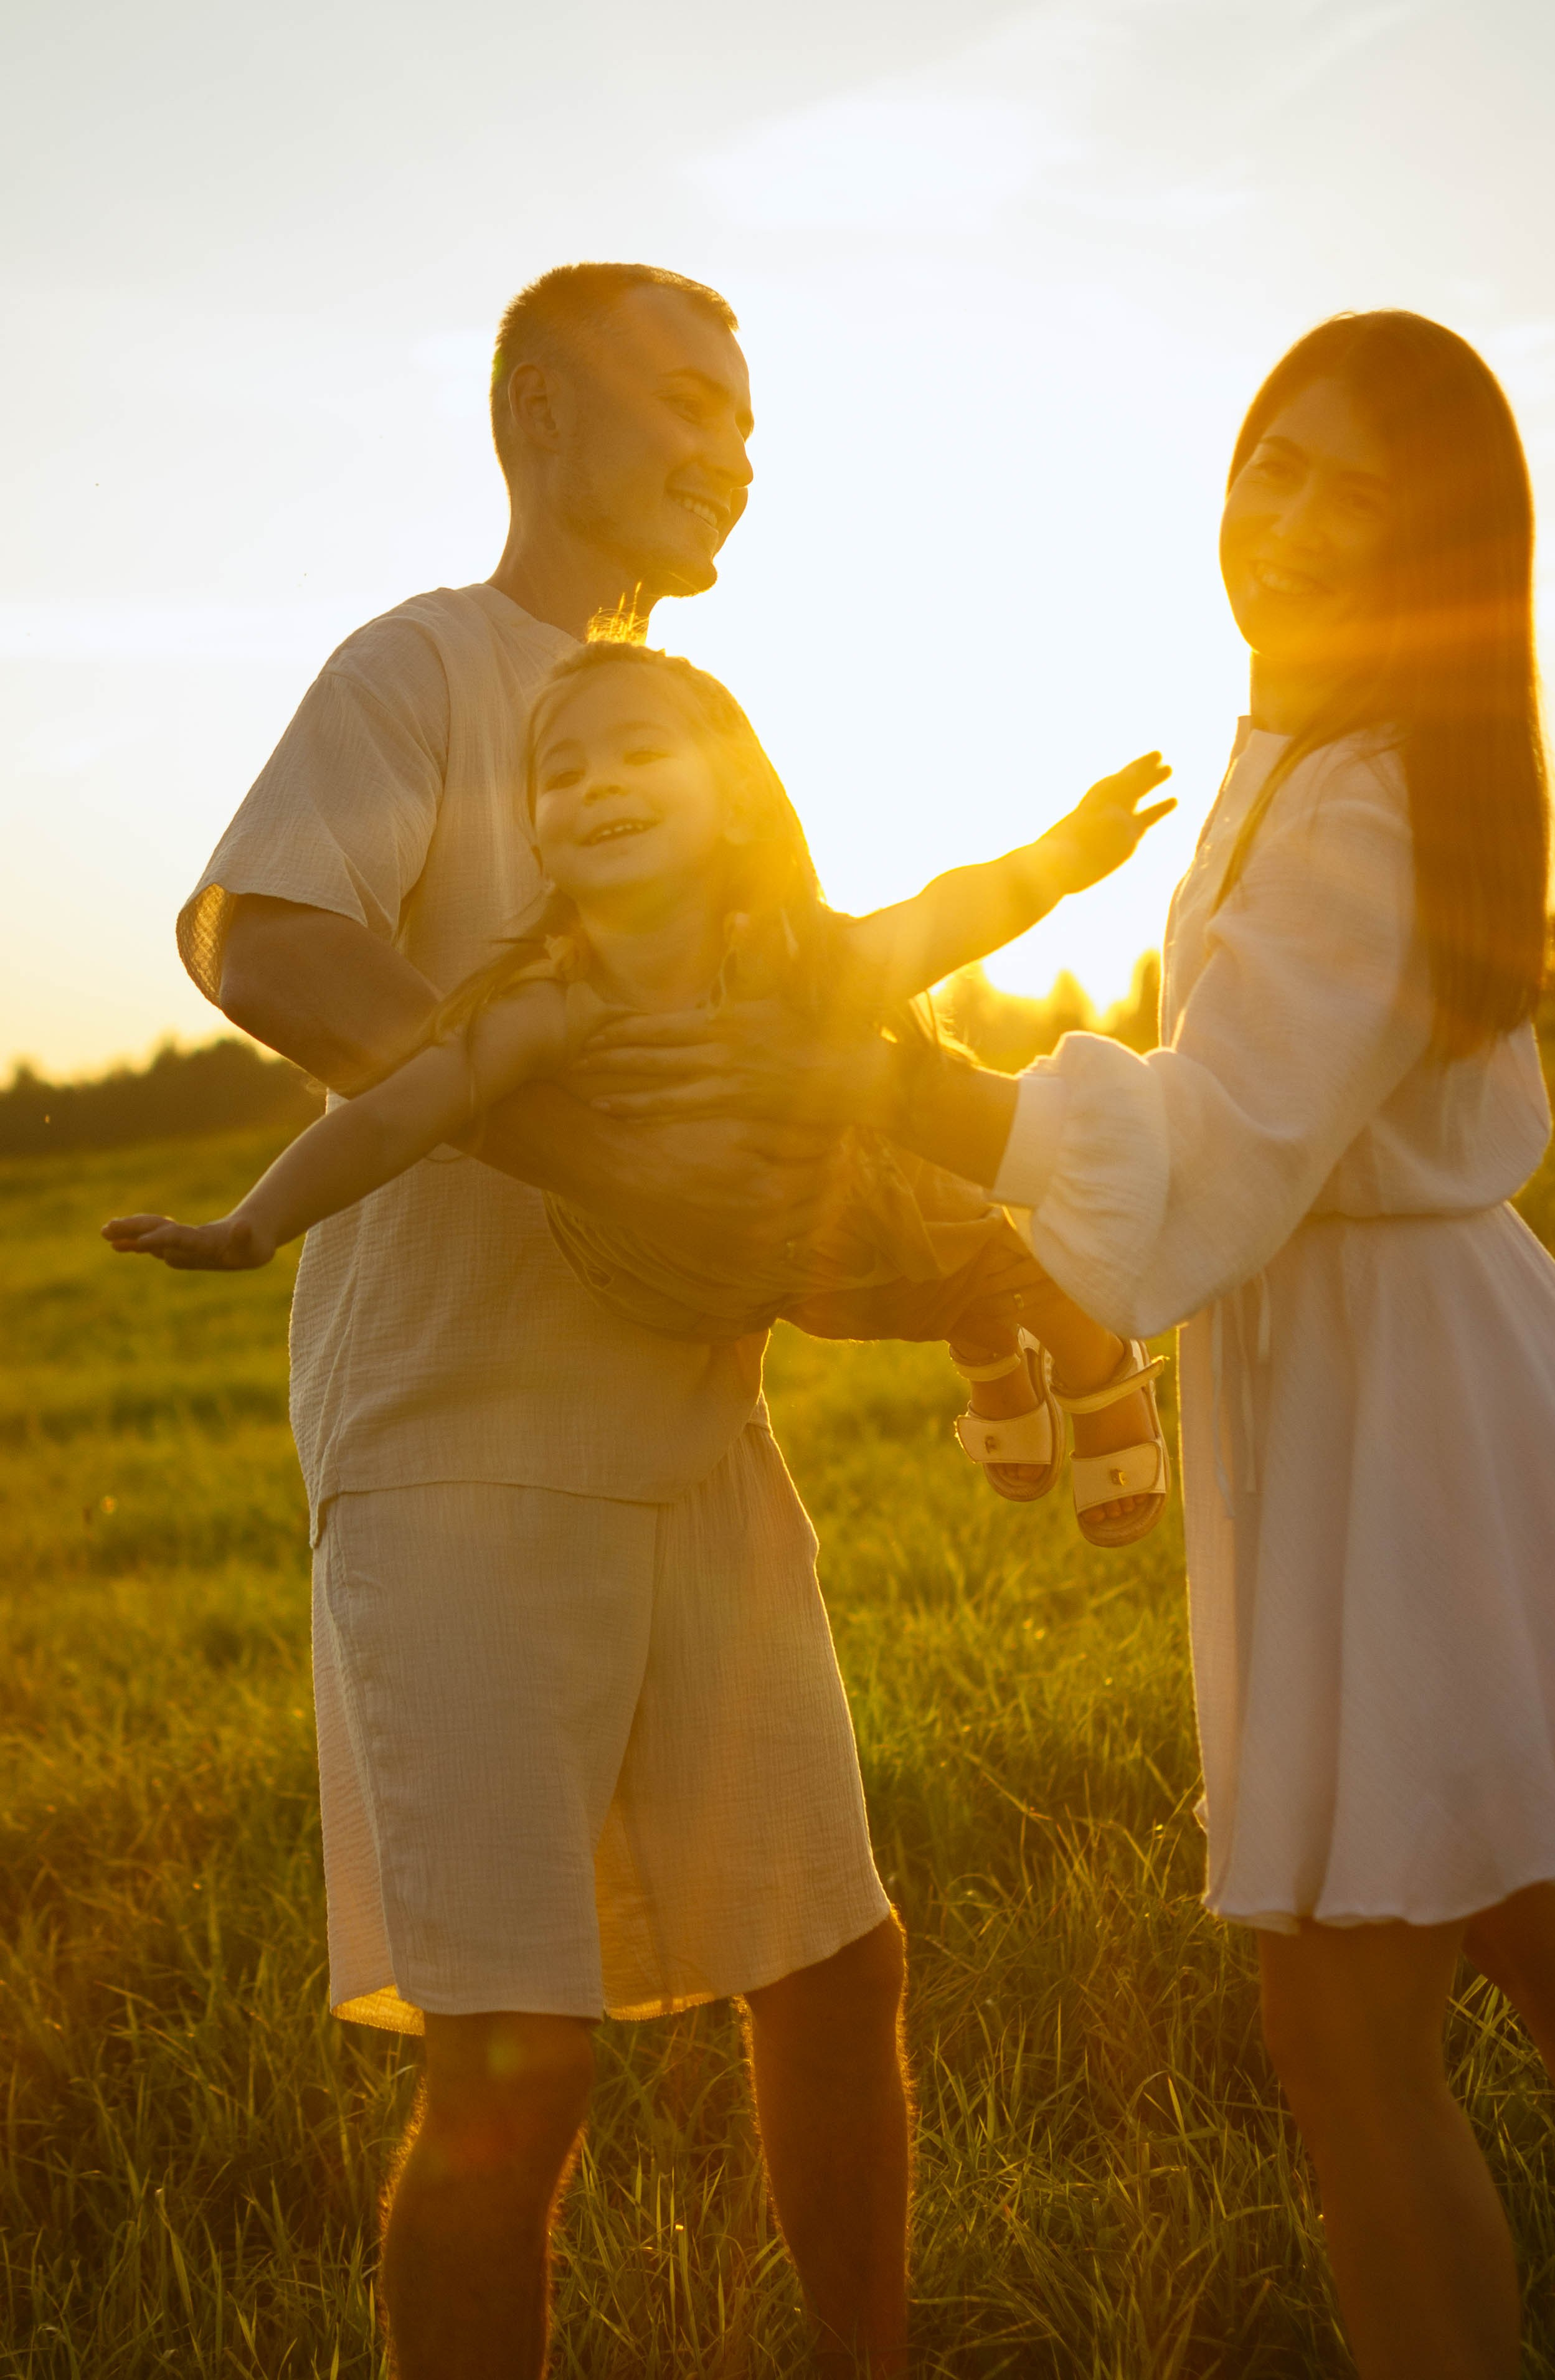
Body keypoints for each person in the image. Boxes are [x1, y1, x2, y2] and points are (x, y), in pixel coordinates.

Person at [591, 311, 1555, 2380]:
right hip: (1356, 1384)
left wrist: (900, 1084)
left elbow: (1217, 1141)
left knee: (1370, 2002)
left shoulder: (1372, 799)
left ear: (1434, 548)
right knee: (1459, 1959)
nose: (1286, 517)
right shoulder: (1297, 751)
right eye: (1271, 462)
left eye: (1354, 494)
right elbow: (1209, 1137)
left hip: (1416, 1415)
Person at [159, 259, 927, 2380]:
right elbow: (256, 929)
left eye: (744, 419)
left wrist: (973, 1256)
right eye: (682, 400)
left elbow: (808, 1029)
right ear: (536, 423)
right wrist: (596, 1155)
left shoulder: (693, 726)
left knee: (836, 1966)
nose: (728, 449)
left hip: (696, 1437)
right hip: (460, 1451)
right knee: (516, 2059)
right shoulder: (422, 666)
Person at [108, 638, 1177, 1539]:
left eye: (641, 753)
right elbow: (394, 1111)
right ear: (537, 836)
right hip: (711, 1280)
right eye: (563, 773)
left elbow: (943, 919)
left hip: (843, 1225)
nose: (601, 784)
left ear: (735, 805)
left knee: (981, 1265)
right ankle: (985, 1339)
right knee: (922, 1291)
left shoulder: (796, 958)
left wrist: (1064, 854)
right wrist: (257, 1222)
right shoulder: (551, 1004)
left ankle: (1082, 1352)